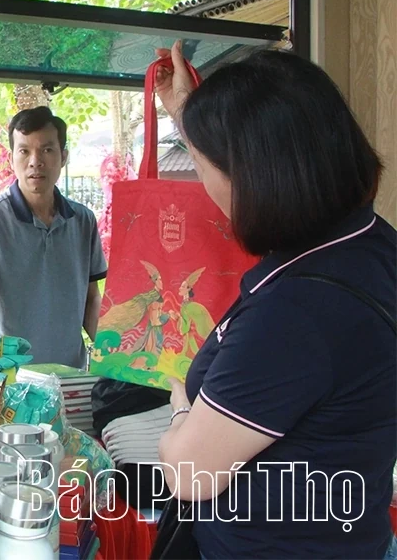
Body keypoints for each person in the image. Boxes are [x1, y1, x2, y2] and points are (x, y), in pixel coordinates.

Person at [154, 41, 396, 558]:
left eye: (202, 162)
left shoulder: (297, 314)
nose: (200, 179)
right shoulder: (370, 243)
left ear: (257, 179)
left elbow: (189, 472)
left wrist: (181, 411)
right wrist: (190, 116)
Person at [0, 106, 107, 368]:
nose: (35, 161)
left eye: (47, 150)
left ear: (64, 156)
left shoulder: (83, 220)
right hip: (12, 380)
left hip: (71, 376)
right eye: (24, 151)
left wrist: (119, 360)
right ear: (12, 158)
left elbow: (92, 299)